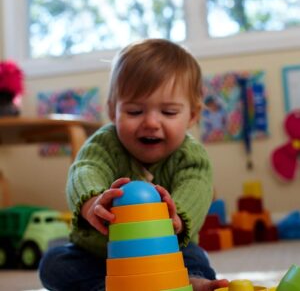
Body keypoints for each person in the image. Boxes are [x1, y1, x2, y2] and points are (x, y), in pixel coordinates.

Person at [39, 39, 229, 291]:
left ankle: (191, 282)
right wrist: (93, 202)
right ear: (112, 110)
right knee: (54, 262)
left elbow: (197, 188)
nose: (151, 122)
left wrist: (177, 216)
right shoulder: (104, 144)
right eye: (134, 112)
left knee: (195, 257)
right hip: (100, 255)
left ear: (192, 115)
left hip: (167, 254)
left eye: (169, 112)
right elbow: (85, 169)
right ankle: (105, 287)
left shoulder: (191, 156)